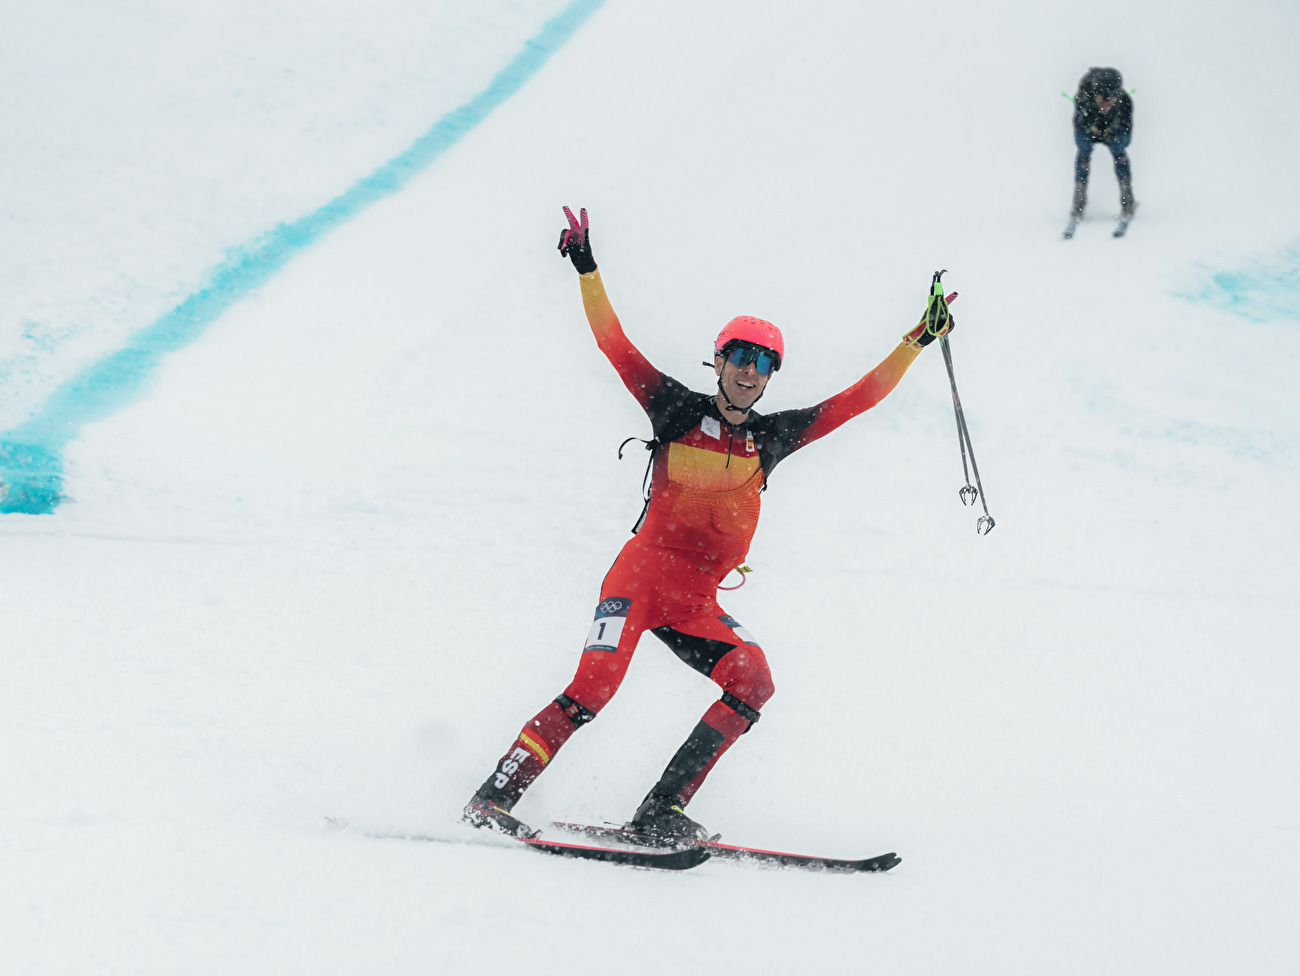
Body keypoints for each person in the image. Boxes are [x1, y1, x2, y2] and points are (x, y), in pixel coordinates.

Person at [461, 207, 954, 842]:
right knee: (593, 691)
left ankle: (660, 811)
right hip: (638, 582)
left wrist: (917, 339)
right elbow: (615, 344)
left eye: (764, 362)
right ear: (717, 361)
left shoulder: (775, 437)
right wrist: (587, 268)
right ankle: (492, 798)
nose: (750, 370)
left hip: (694, 601)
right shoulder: (674, 409)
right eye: (740, 355)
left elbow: (856, 400)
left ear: (772, 375)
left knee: (753, 678)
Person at [1070, 67, 1135, 222]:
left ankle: (1127, 194)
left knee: (1119, 149)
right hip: (1089, 130)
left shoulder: (1125, 101)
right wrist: (1091, 128)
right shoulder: (1083, 97)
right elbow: (1078, 123)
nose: (1105, 105)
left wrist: (1112, 132)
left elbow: (1127, 132)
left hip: (1113, 132)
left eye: (1110, 100)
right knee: (1083, 149)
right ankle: (1079, 195)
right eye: (1100, 99)